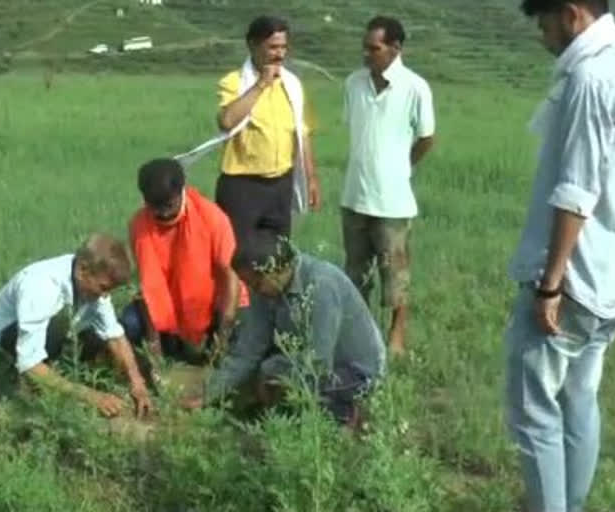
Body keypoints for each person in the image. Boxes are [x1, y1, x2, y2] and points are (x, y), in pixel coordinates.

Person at [506, 2, 615, 511]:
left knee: (535, 413)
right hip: (604, 283)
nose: (542, 34)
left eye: (544, 22)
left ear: (571, 14)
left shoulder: (589, 78)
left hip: (570, 285)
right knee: (578, 401)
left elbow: (577, 192)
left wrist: (550, 283)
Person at [185, 235, 386, 428]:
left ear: (280, 270)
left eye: (256, 284)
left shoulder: (321, 285)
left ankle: (348, 418)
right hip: (302, 359)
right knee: (256, 380)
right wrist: (209, 393)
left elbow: (318, 363)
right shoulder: (266, 284)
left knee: (310, 398)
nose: (254, 291)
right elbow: (247, 350)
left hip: (355, 371)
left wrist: (271, 370)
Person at [177, 16, 320, 249]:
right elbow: (227, 121)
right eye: (273, 47)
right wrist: (261, 84)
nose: (279, 54)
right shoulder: (234, 82)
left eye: (283, 47)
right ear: (253, 45)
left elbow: (302, 134)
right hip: (243, 187)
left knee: (278, 256)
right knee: (237, 254)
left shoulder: (292, 85)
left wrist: (311, 178)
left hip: (281, 185)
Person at [0, 233, 153, 418]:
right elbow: (29, 362)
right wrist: (92, 397)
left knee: (99, 344)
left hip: (49, 339)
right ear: (83, 270)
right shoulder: (41, 287)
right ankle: (22, 384)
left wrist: (137, 383)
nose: (106, 296)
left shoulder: (89, 278)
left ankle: (52, 376)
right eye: (103, 288)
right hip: (3, 345)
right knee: (57, 330)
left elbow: (115, 336)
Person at [341, 16, 435, 356]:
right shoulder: (353, 84)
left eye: (375, 48)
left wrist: (401, 166)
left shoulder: (415, 87)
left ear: (396, 48)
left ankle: (396, 337)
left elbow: (426, 138)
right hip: (354, 196)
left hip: (392, 200)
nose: (367, 54)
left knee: (395, 273)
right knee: (355, 273)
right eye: (365, 48)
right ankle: (361, 336)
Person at [121, 158, 247, 370]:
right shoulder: (139, 226)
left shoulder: (212, 217)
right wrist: (154, 347)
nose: (162, 214)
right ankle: (173, 346)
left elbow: (231, 277)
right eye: (155, 207)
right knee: (130, 323)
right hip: (169, 307)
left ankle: (203, 347)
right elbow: (147, 289)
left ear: (182, 191)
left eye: (169, 205)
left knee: (246, 332)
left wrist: (222, 336)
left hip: (213, 306)